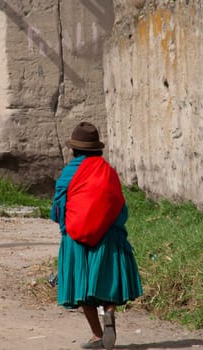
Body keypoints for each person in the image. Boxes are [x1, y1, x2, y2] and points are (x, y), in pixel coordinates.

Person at [50, 121, 143, 350]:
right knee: (106, 280)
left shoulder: (70, 171)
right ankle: (109, 312)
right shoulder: (108, 171)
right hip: (108, 235)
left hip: (76, 237)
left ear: (75, 149)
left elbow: (59, 207)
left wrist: (65, 228)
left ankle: (96, 334)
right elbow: (119, 208)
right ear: (96, 148)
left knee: (81, 287)